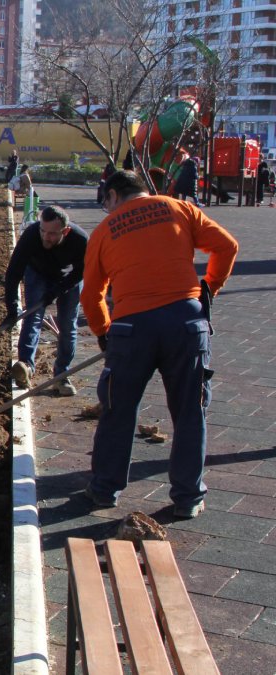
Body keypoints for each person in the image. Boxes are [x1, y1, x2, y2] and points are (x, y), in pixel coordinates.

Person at [80, 170, 238, 519]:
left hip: (131, 327)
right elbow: (227, 246)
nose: (106, 208)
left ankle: (105, 489)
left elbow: (91, 294)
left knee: (117, 409)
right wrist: (209, 288)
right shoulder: (179, 208)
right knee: (189, 412)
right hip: (185, 324)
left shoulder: (104, 231)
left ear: (115, 195)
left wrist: (104, 332)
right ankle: (188, 497)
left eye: (105, 200)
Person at [4, 205, 88, 396]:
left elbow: (81, 272)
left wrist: (58, 290)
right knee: (32, 317)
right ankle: (25, 367)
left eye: (51, 233)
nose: (45, 236)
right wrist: (11, 308)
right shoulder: (31, 235)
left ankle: (61, 375)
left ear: (65, 231)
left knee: (67, 324)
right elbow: (14, 272)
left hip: (69, 279)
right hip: (38, 273)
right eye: (43, 230)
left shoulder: (80, 240)